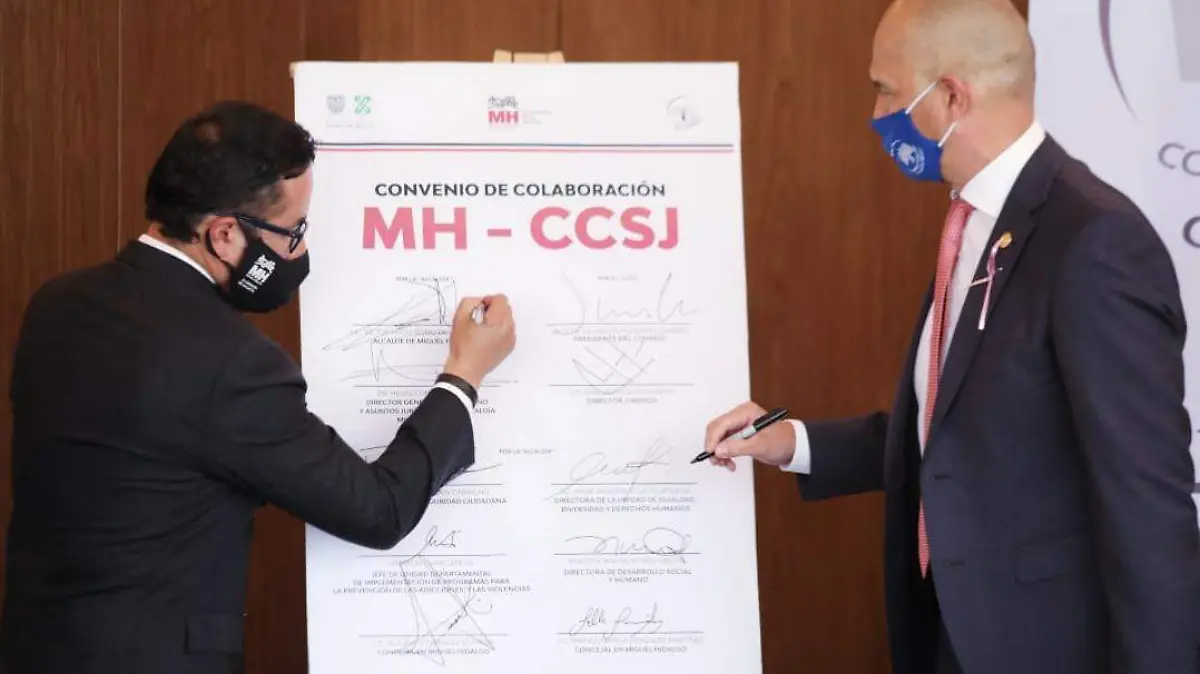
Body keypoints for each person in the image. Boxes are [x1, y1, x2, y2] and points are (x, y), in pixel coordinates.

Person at [703, 1, 1200, 673]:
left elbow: (1147, 504)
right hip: (953, 635)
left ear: (951, 97)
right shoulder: (971, 224)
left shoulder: (1093, 241)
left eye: (887, 90)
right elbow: (957, 429)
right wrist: (791, 442)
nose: (877, 114)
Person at [0, 101, 515, 674]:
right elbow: (379, 509)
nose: (299, 252)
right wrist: (464, 374)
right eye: (292, 232)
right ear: (223, 234)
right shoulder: (229, 363)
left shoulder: (56, 304)